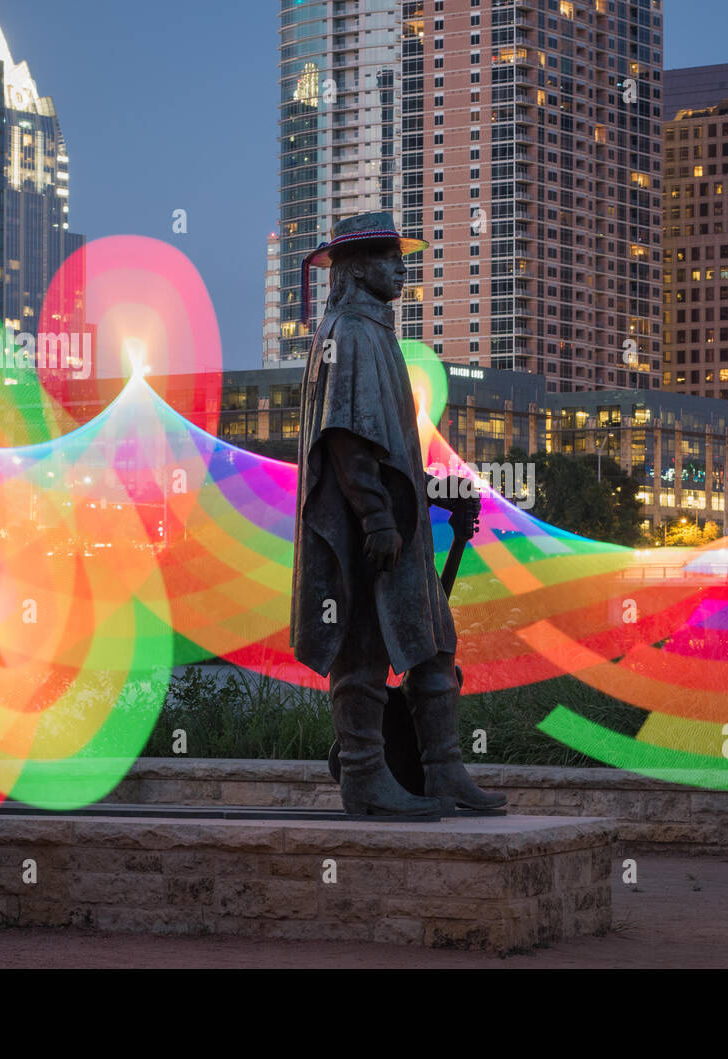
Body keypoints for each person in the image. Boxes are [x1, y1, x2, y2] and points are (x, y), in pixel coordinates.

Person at [290, 213, 506, 816]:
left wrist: (434, 491)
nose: (402, 270)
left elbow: (385, 446)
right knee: (362, 649)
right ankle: (364, 775)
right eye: (390, 259)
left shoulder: (375, 333)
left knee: (433, 644)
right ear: (358, 268)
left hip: (391, 528)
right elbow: (346, 440)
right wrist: (378, 519)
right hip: (364, 531)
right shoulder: (348, 333)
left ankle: (442, 772)